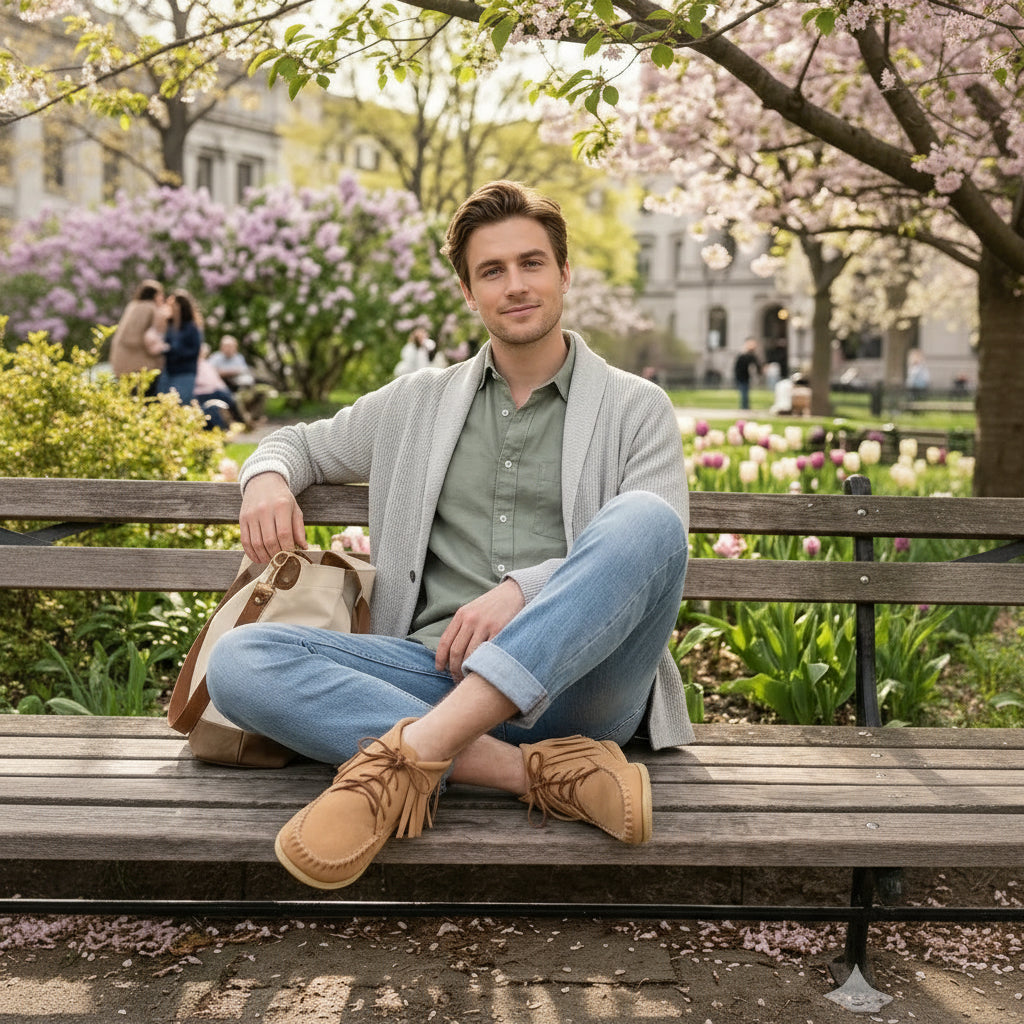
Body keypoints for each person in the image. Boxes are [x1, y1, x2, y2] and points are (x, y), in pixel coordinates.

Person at [206, 180, 691, 892]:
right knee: (238, 661)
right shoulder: (417, 403)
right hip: (431, 675)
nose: (515, 284)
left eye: (531, 263)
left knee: (646, 518)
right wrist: (266, 479)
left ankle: (414, 755)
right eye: (492, 271)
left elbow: (655, 549)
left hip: (585, 688)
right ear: (468, 292)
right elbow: (297, 443)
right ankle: (534, 773)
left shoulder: (636, 407)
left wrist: (524, 591)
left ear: (564, 273)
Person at [108, 279, 168, 396]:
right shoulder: (149, 307)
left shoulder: (133, 306)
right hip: (139, 367)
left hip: (122, 366)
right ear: (155, 295)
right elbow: (134, 337)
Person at [159, 291, 203, 406]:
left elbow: (194, 351)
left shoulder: (191, 328)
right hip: (169, 372)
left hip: (184, 372)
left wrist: (172, 350)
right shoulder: (169, 326)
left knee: (180, 403)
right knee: (163, 404)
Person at [194, 343, 249, 430]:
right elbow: (200, 381)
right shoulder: (193, 365)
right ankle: (235, 424)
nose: (203, 355)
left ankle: (239, 422)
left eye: (204, 353)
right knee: (222, 401)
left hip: (214, 390)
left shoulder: (206, 364)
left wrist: (223, 389)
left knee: (229, 399)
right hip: (203, 392)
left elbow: (216, 380)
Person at [733, 337, 762, 410]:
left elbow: (756, 364)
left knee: (745, 391)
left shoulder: (749, 354)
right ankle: (744, 407)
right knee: (744, 391)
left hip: (745, 376)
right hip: (741, 376)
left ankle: (745, 406)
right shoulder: (744, 354)